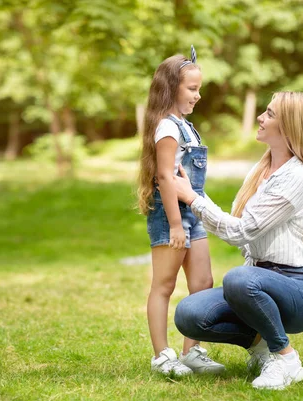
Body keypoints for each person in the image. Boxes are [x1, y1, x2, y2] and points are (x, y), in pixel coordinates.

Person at [172, 91, 303, 390]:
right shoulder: (261, 169)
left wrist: (192, 198)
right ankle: (262, 349)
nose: (260, 117)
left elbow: (241, 232)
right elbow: (243, 231)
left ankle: (286, 358)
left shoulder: (297, 177)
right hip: (258, 281)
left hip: (299, 289)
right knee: (189, 315)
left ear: (289, 126)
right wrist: (195, 197)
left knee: (239, 279)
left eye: (269, 113)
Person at [136, 46, 225, 376]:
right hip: (170, 215)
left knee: (203, 281)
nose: (198, 95)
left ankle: (193, 351)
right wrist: (175, 224)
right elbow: (164, 177)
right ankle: (162, 355)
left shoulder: (186, 126)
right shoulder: (167, 128)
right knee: (164, 284)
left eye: (199, 88)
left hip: (191, 214)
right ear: (172, 88)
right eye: (192, 88)